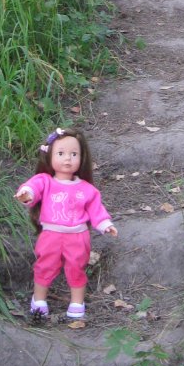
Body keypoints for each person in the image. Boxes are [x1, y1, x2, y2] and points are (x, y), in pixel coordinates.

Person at [14, 127, 117, 319]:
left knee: (77, 267)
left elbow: (96, 210)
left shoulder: (87, 189)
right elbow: (33, 187)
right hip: (51, 234)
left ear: (82, 158)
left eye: (73, 154)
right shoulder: (45, 181)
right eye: (61, 153)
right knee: (45, 265)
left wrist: (105, 224)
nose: (67, 159)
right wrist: (26, 193)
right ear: (50, 155)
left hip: (78, 236)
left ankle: (77, 302)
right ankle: (39, 299)